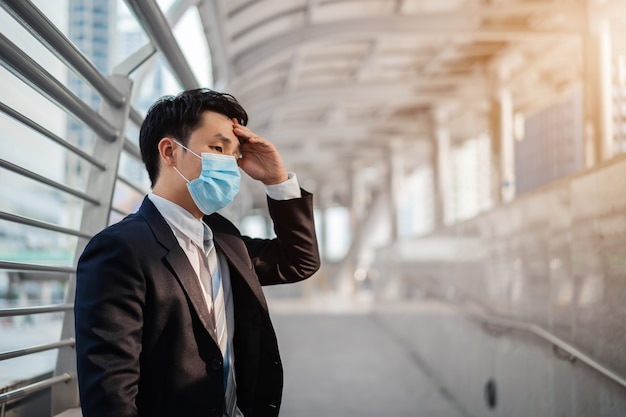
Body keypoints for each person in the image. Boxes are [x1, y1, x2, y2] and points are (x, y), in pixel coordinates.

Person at [74, 88, 320, 417]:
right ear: (169, 151)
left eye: (234, 156)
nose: (232, 165)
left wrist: (277, 181)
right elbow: (111, 394)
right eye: (217, 148)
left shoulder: (224, 239)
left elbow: (299, 261)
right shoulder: (119, 250)